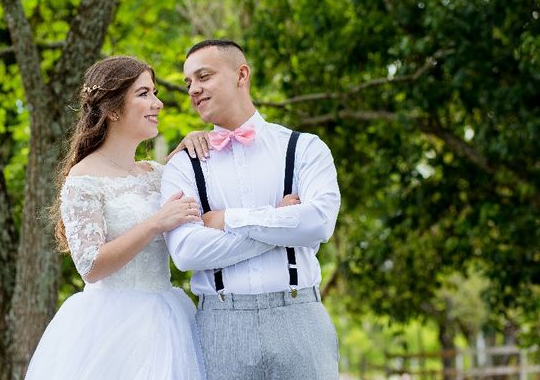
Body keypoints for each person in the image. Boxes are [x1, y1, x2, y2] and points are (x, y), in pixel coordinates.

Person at [160, 40, 341, 380]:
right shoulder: (183, 164)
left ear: (241, 74)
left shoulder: (304, 148)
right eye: (188, 83)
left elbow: (318, 223)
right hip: (219, 323)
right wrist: (281, 225)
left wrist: (227, 220)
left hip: (300, 318)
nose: (193, 90)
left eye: (204, 76)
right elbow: (186, 252)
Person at [24, 55, 207, 380]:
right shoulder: (83, 179)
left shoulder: (157, 174)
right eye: (144, 94)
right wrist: (155, 223)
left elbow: (200, 214)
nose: (158, 103)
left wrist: (188, 150)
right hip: (110, 330)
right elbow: (91, 267)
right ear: (112, 109)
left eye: (154, 92)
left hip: (170, 321)